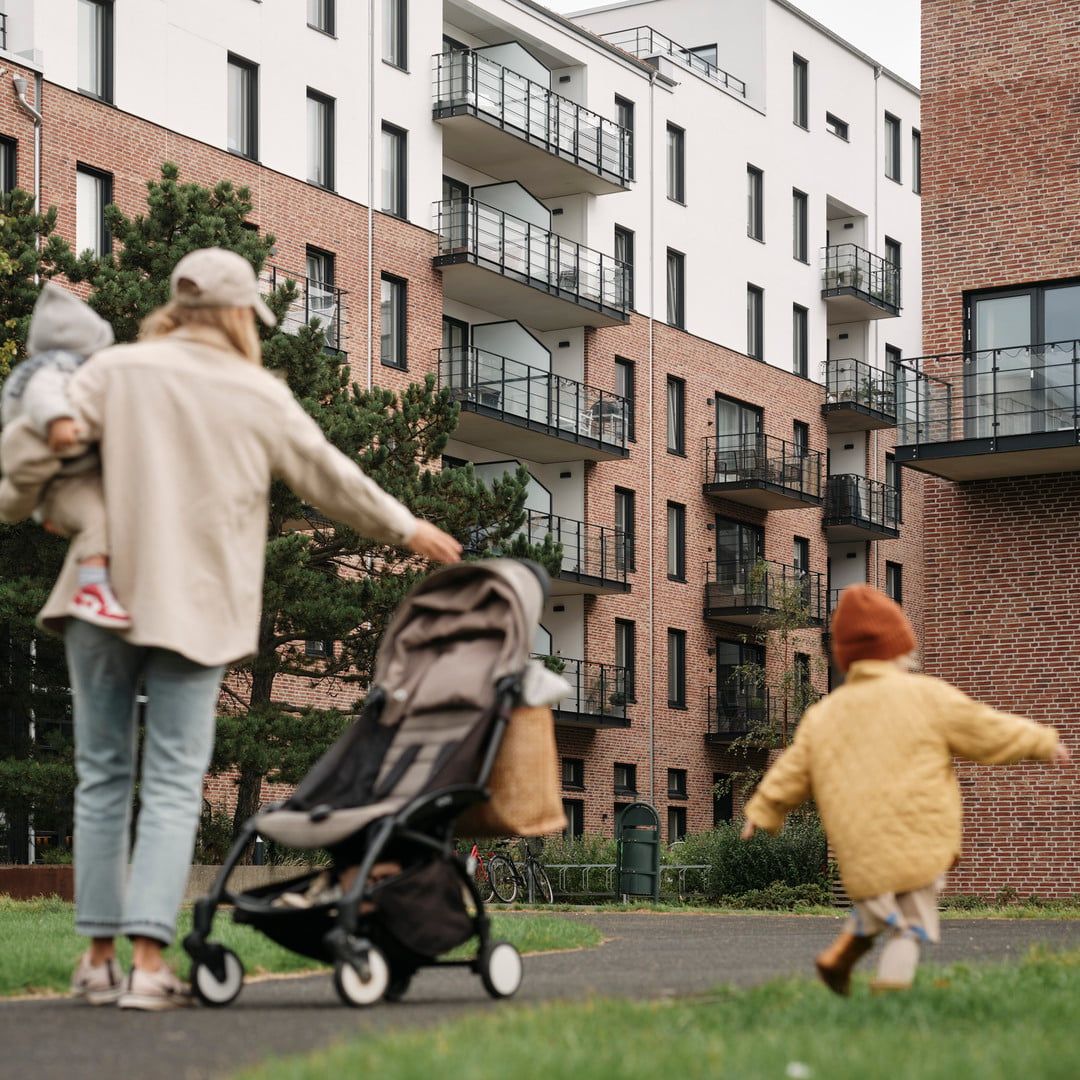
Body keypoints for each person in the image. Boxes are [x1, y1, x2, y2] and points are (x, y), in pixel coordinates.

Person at [19, 249, 462, 1011]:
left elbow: (41, 436)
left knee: (100, 777)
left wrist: (44, 503)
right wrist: (407, 526)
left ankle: (96, 960)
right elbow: (332, 478)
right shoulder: (256, 392)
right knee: (169, 784)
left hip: (99, 593)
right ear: (236, 315)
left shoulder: (114, 369)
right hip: (192, 607)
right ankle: (150, 965)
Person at [740, 584, 1068, 995]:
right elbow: (987, 730)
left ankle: (838, 959)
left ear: (846, 655)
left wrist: (763, 810)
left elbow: (791, 769)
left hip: (859, 843)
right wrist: (1041, 741)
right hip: (919, 836)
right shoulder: (926, 697)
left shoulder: (826, 715)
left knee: (877, 907)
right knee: (909, 926)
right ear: (900, 647)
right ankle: (890, 997)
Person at [0, 282, 131, 627]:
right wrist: (58, 419)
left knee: (101, 514)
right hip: (60, 477)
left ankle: (99, 584)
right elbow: (45, 393)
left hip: (59, 477)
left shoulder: (45, 366)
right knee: (99, 520)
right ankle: (92, 591)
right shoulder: (56, 366)